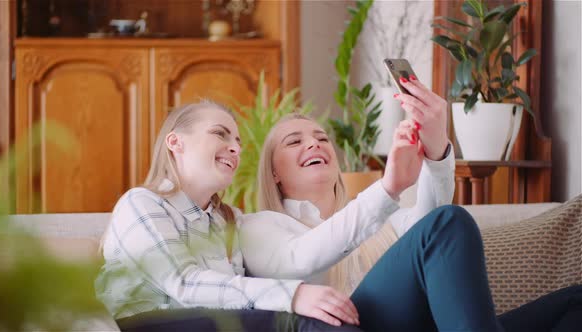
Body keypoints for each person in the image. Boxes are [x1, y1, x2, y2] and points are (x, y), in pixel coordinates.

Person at [239, 75, 582, 332]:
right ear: (274, 172)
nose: (313, 144)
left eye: (321, 138)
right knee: (448, 221)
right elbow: (301, 259)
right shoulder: (258, 226)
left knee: (575, 302)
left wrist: (436, 147)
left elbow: (433, 225)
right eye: (294, 141)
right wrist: (387, 188)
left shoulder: (385, 223)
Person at [95, 101, 365, 332]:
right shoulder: (142, 203)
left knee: (324, 319)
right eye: (220, 134)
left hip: (213, 324)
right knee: (304, 321)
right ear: (175, 142)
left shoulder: (227, 221)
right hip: (144, 325)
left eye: (237, 141)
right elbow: (184, 284)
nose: (235, 148)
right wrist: (293, 295)